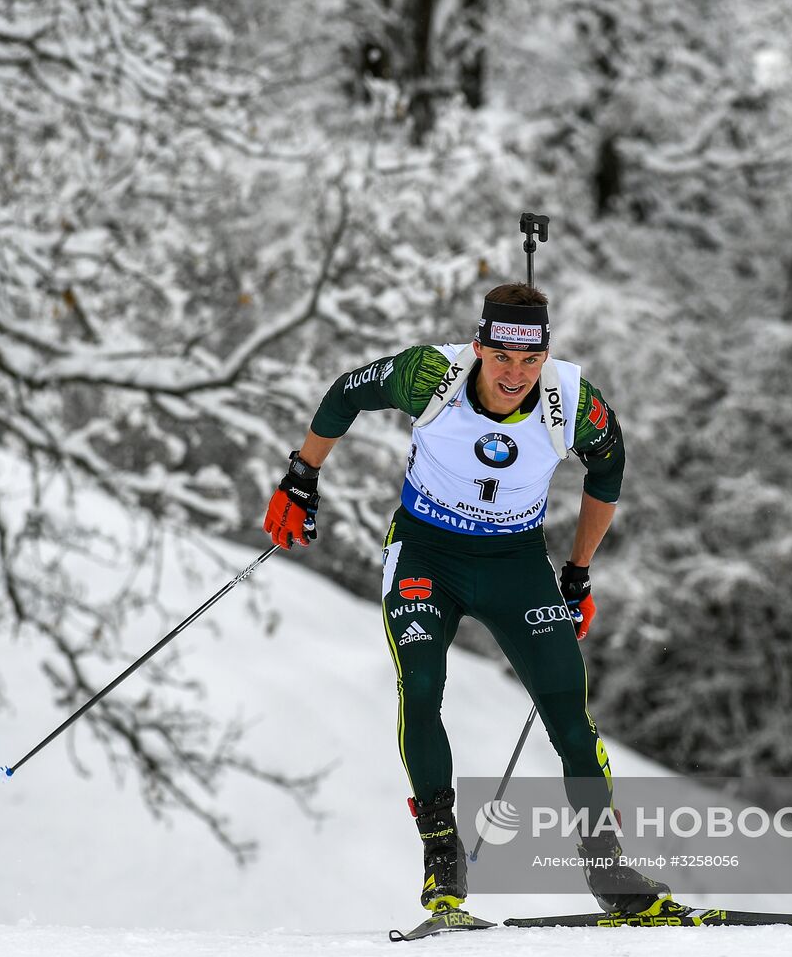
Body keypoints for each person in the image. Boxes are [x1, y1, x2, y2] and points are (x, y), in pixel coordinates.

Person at [263, 282, 670, 916]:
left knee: (568, 711)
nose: (515, 374)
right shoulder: (431, 375)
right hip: (427, 554)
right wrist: (301, 476)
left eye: (529, 360)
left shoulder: (572, 402)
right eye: (502, 356)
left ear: (545, 355)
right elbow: (346, 392)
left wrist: (579, 571)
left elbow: (609, 470)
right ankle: (442, 857)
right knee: (422, 687)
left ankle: (608, 869)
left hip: (515, 563)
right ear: (479, 346)